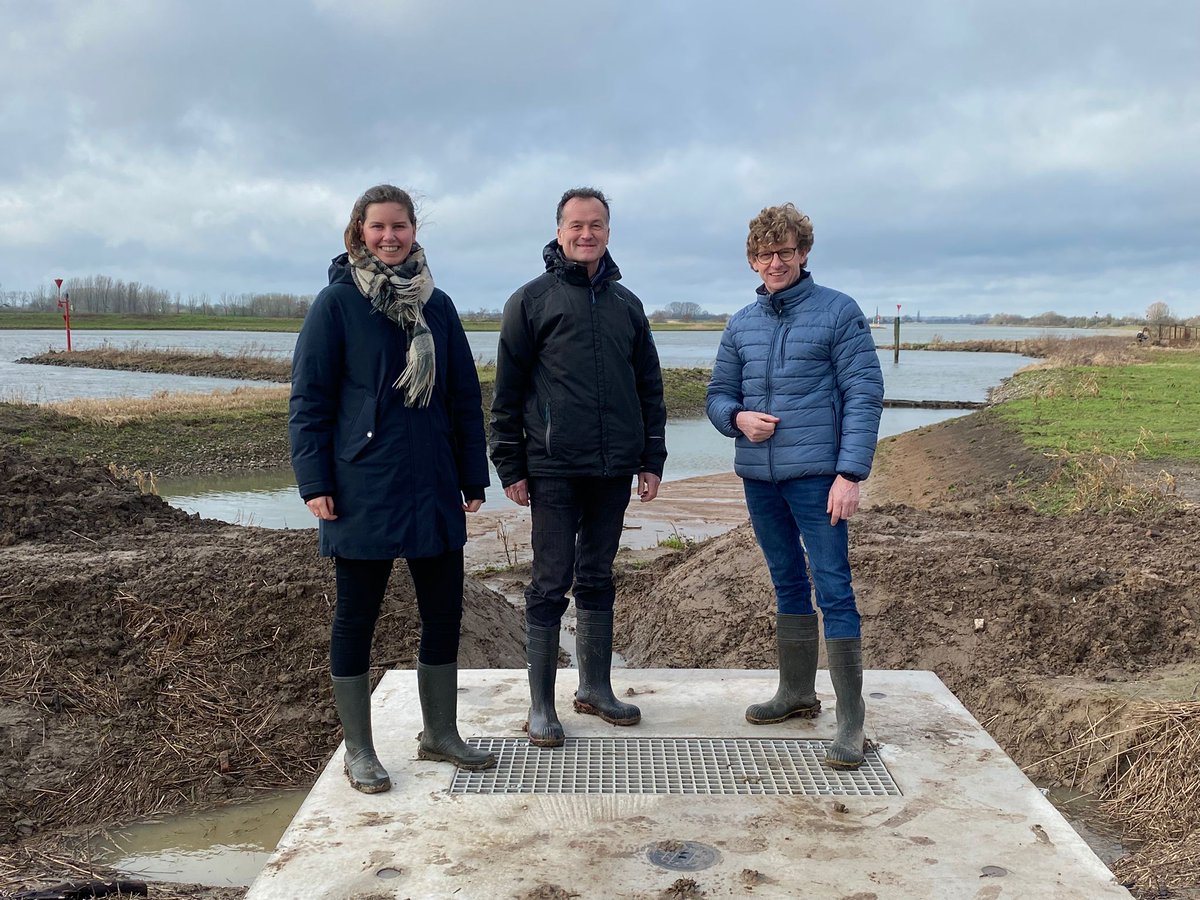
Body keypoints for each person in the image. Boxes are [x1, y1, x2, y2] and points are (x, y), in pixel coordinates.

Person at [289, 184, 495, 793]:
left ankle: (440, 734)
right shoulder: (336, 304)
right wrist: (315, 481)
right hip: (362, 485)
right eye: (377, 227)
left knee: (443, 613)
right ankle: (359, 750)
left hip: (431, 483)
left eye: (399, 226)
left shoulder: (441, 305)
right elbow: (309, 401)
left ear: (414, 231)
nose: (390, 237)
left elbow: (462, 396)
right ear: (358, 232)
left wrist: (471, 473)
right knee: (357, 619)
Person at [706, 203, 884, 770]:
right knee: (786, 582)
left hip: (819, 480)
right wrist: (737, 419)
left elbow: (864, 394)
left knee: (834, 589)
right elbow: (716, 394)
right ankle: (796, 692)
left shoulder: (839, 313)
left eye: (784, 251)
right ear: (753, 261)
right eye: (764, 253)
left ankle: (851, 722)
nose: (774, 261)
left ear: (803, 252)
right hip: (760, 479)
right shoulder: (741, 324)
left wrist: (850, 474)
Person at [490, 187, 668, 748]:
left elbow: (649, 388)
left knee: (598, 576)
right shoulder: (531, 301)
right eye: (576, 225)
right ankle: (541, 706)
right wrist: (510, 465)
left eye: (596, 225)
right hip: (552, 469)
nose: (586, 234)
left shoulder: (628, 305)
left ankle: (594, 688)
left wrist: (652, 457)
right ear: (559, 231)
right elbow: (506, 393)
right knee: (548, 582)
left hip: (614, 468)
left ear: (608, 232)